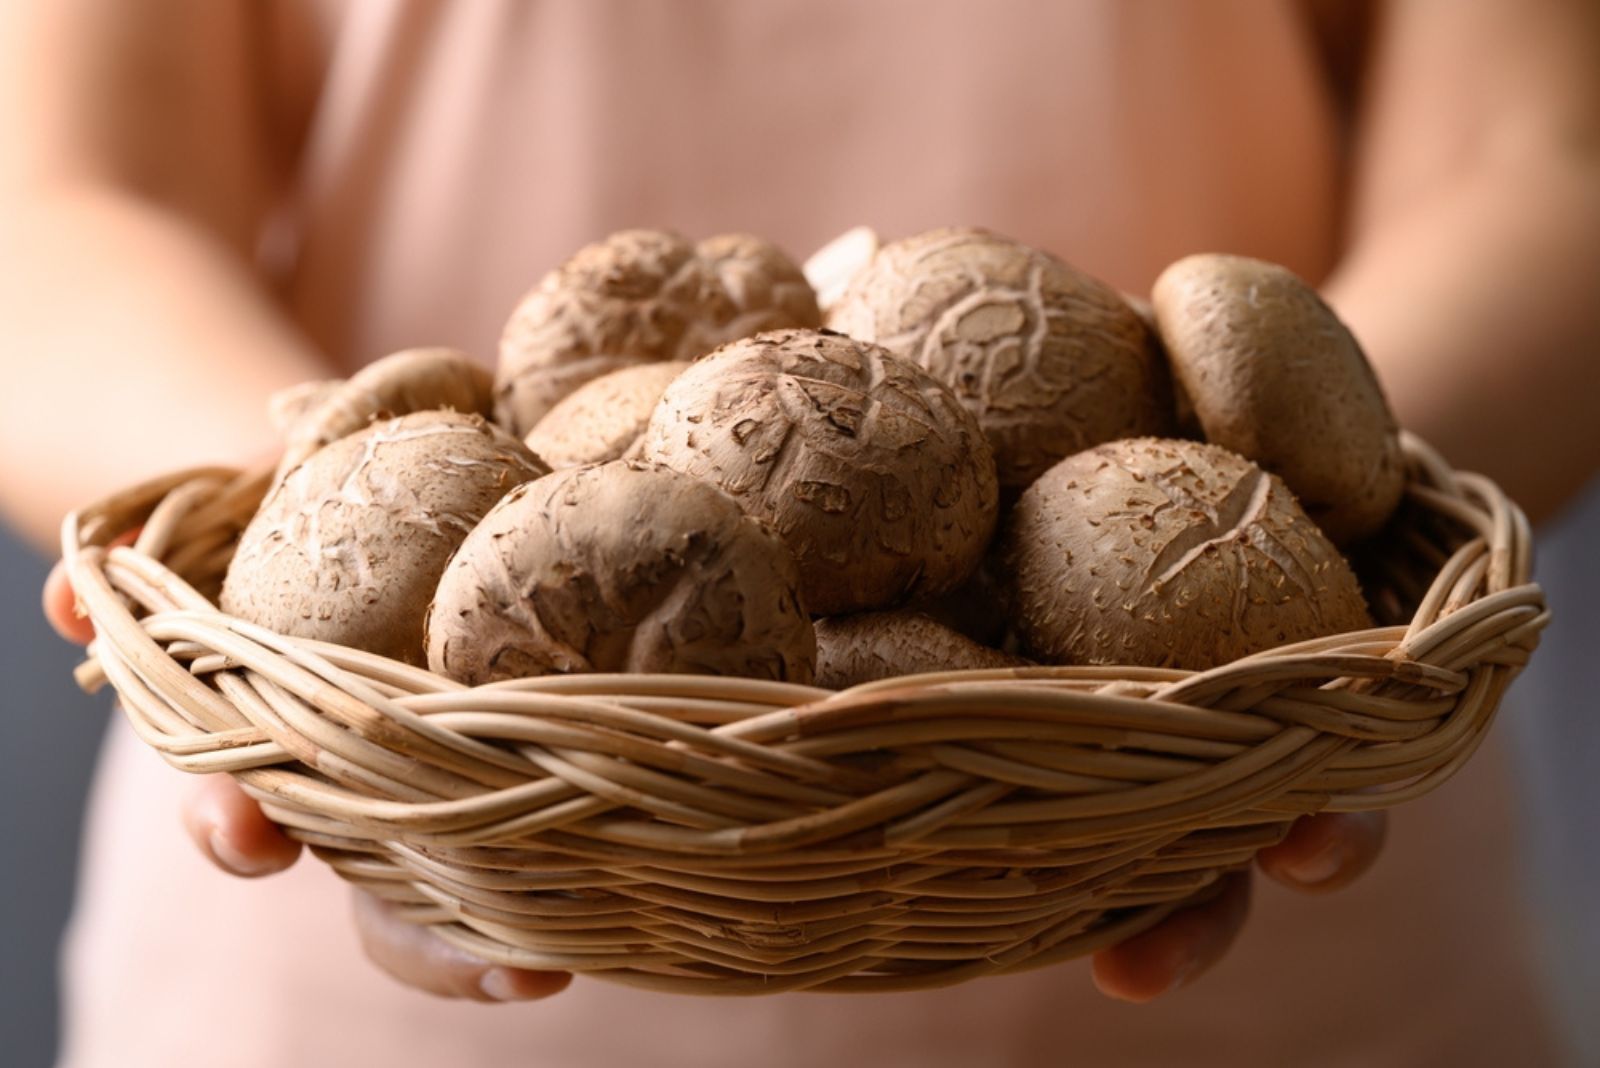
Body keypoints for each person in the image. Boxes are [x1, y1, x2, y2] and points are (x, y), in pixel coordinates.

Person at [5, 1, 1598, 1064]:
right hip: (357, 944)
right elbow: (57, 201)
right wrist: (315, 669)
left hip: (1266, 906)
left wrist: (1322, 625)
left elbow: (1540, 158)